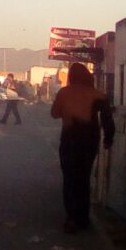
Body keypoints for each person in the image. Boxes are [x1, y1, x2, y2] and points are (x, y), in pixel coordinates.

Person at [50, 63, 115, 233]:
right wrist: (108, 139)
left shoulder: (65, 92)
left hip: (70, 139)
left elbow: (54, 113)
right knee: (83, 178)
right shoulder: (98, 94)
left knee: (70, 178)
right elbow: (108, 121)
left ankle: (71, 218)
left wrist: (68, 109)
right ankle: (83, 218)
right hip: (89, 140)